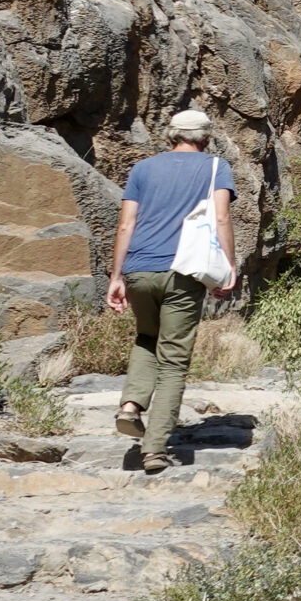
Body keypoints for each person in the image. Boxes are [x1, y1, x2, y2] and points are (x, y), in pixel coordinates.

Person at [107, 108, 237, 473]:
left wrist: (117, 275)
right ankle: (155, 448)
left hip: (139, 268)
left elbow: (125, 224)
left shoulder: (143, 169)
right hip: (184, 271)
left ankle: (131, 405)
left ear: (170, 136)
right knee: (174, 359)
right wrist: (229, 264)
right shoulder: (215, 167)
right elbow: (222, 217)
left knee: (147, 337)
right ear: (206, 137)